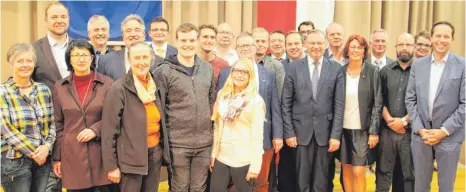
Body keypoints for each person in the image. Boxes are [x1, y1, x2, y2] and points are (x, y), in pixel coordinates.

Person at [217, 32, 283, 192]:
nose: (245, 49)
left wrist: (277, 135)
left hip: (262, 137)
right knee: (235, 184)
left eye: (248, 45)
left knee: (261, 181)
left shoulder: (268, 73)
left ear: (255, 48)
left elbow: (275, 105)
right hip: (234, 138)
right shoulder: (226, 73)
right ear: (236, 49)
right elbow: (220, 107)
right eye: (241, 46)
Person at [154, 23, 214, 192]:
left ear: (197, 41)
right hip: (177, 143)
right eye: (184, 40)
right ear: (177, 41)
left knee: (199, 188)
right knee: (179, 187)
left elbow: (209, 100)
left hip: (204, 143)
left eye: (192, 40)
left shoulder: (206, 68)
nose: (188, 44)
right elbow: (159, 107)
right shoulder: (163, 71)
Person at [101, 42, 170, 192]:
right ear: (129, 60)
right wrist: (112, 167)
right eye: (137, 57)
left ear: (151, 59)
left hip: (154, 154)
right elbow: (108, 131)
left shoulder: (157, 85)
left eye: (145, 57)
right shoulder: (118, 88)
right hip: (129, 158)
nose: (141, 62)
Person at [282, 30, 345, 192]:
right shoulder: (294, 68)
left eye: (319, 43)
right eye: (312, 43)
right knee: (301, 181)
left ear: (325, 45)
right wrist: (289, 132)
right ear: (305, 45)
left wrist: (335, 135)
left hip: (326, 134)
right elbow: (286, 103)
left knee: (322, 181)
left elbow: (339, 105)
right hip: (300, 134)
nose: (316, 46)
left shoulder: (336, 69)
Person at [405, 21, 465, 192]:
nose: (441, 40)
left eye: (446, 36)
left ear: (452, 39)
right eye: (438, 35)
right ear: (431, 38)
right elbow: (410, 99)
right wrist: (420, 129)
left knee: (446, 187)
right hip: (421, 136)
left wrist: (443, 131)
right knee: (421, 186)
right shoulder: (418, 64)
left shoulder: (463, 65)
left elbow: (464, 104)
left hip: (449, 137)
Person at [51, 39, 115, 192]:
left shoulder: (106, 83)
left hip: (102, 155)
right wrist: (57, 158)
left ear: (92, 58)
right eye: (76, 55)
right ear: (69, 59)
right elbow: (58, 124)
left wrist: (95, 129)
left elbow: (114, 117)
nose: (81, 59)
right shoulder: (60, 87)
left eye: (85, 55)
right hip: (73, 156)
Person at [1, 43, 56, 192]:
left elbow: (53, 123)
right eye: (20, 61)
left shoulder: (43, 90)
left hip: (43, 161)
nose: (25, 65)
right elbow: (5, 129)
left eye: (29, 61)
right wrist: (35, 151)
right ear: (11, 63)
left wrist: (46, 147)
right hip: (15, 161)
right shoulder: (3, 92)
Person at [210, 58, 266, 192]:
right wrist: (213, 154)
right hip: (221, 156)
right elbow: (217, 128)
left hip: (243, 158)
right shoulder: (222, 95)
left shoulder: (255, 101)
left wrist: (255, 166)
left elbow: (257, 136)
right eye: (236, 70)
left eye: (244, 72)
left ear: (250, 76)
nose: (239, 75)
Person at [339, 34, 382, 192]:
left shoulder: (372, 72)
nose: (356, 50)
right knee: (347, 169)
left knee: (358, 171)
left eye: (359, 47)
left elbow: (378, 103)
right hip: (343, 129)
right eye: (352, 47)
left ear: (364, 51)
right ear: (347, 50)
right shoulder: (340, 72)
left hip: (363, 131)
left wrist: (374, 132)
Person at [376, 33, 416, 192]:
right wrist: (390, 120)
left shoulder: (421, 72)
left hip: (410, 132)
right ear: (396, 47)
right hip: (387, 131)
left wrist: (404, 121)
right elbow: (379, 99)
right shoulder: (385, 71)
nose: (404, 48)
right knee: (383, 173)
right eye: (401, 45)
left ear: (414, 47)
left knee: (408, 175)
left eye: (408, 44)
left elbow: (422, 102)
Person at [97, 14, 164, 80]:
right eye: (128, 31)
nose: (133, 34)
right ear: (123, 37)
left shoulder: (160, 63)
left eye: (137, 30)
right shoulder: (106, 61)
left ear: (144, 35)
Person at [32, 1, 71, 92]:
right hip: (47, 104)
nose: (59, 21)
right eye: (54, 17)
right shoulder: (34, 49)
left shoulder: (81, 47)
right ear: (46, 20)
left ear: (68, 19)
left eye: (63, 17)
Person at [252, 27, 286, 99]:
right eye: (257, 41)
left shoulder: (277, 66)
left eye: (263, 41)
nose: (260, 44)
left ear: (268, 44)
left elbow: (279, 96)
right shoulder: (243, 64)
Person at [197, 24, 229, 97]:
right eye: (205, 37)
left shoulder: (224, 65)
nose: (209, 40)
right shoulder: (190, 62)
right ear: (197, 39)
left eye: (212, 37)